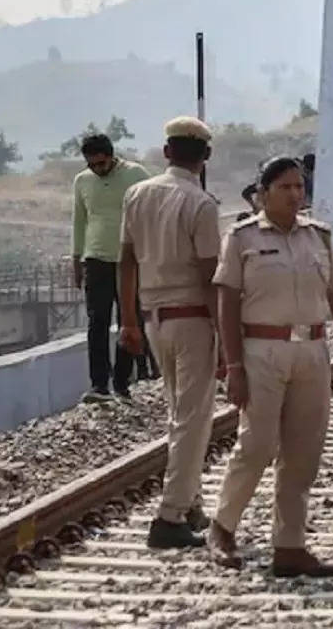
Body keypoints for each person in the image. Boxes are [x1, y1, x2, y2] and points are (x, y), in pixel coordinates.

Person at [207, 156, 333, 576]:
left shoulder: (318, 236)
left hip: (312, 353)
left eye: (300, 187)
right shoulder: (241, 238)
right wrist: (233, 365)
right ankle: (222, 527)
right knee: (256, 444)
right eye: (286, 187)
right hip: (262, 351)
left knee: (303, 452)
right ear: (264, 192)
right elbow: (226, 302)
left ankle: (290, 545)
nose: (297, 194)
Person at [117, 117, 221, 549]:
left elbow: (126, 261)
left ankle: (190, 501)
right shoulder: (200, 204)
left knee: (178, 412)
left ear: (166, 152)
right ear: (205, 157)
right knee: (193, 419)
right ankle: (170, 516)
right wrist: (228, 334)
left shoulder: (137, 194)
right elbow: (210, 273)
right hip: (194, 319)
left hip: (154, 319)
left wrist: (127, 321)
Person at [72, 133, 154, 402]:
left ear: (112, 156)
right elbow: (79, 221)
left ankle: (121, 382)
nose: (98, 170)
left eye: (102, 164)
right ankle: (99, 385)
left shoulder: (137, 175)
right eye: (92, 165)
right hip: (96, 258)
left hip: (129, 260)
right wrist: (76, 258)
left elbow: (151, 212)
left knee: (129, 320)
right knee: (97, 322)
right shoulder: (82, 181)